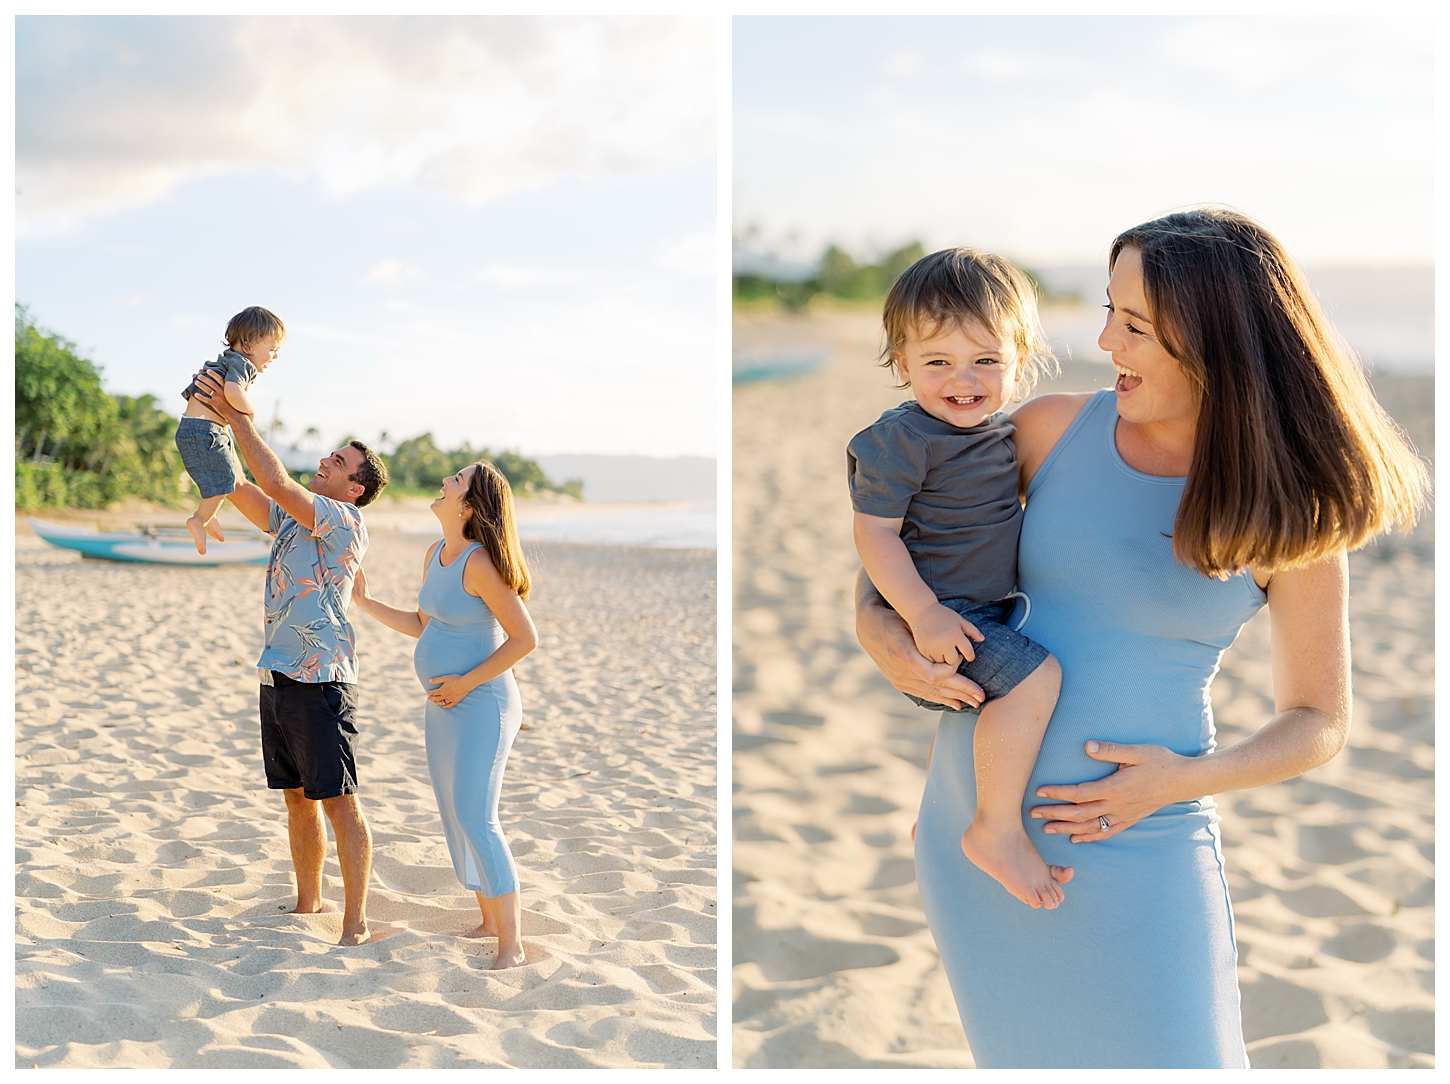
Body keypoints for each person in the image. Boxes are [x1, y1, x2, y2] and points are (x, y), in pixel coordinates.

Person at [854, 208, 1427, 1068]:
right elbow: (899, 560)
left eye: (1135, 325)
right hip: (973, 825)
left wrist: (1181, 780)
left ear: (1216, 341)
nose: (1105, 340)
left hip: (1144, 839)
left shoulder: (1290, 509)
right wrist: (877, 634)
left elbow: (1318, 721)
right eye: (1109, 312)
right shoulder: (1047, 432)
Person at [848, 249, 1066, 909]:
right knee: (1037, 680)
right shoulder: (901, 440)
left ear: (1019, 363)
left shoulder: (1001, 434)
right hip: (947, 618)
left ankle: (941, 820)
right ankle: (993, 831)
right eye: (938, 362)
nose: (963, 381)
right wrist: (921, 616)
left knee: (976, 723)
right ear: (901, 362)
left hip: (989, 608)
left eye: (986, 362)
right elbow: (875, 535)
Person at [193, 368, 391, 947]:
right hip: (277, 670)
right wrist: (206, 424)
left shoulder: (345, 521)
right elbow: (239, 486)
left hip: (320, 677)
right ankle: (310, 904)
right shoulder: (294, 516)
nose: (327, 460)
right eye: (330, 454)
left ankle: (354, 921)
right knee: (297, 799)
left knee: (339, 802)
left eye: (339, 462)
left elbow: (277, 484)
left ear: (354, 488)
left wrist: (241, 414)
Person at [350, 460, 538, 969]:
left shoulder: (480, 562)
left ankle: (512, 946)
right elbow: (423, 624)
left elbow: (525, 639)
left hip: (484, 703)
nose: (445, 482)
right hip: (445, 705)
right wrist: (365, 604)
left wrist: (464, 683)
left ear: (469, 506)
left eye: (456, 481)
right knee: (456, 815)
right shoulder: (436, 553)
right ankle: (488, 920)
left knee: (479, 818)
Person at [176, 306, 284, 554]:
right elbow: (233, 393)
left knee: (223, 479)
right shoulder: (244, 365)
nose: (275, 357)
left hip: (192, 427)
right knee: (225, 482)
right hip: (207, 430)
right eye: (272, 349)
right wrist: (250, 411)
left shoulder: (222, 361)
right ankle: (199, 520)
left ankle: (208, 515)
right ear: (248, 346)